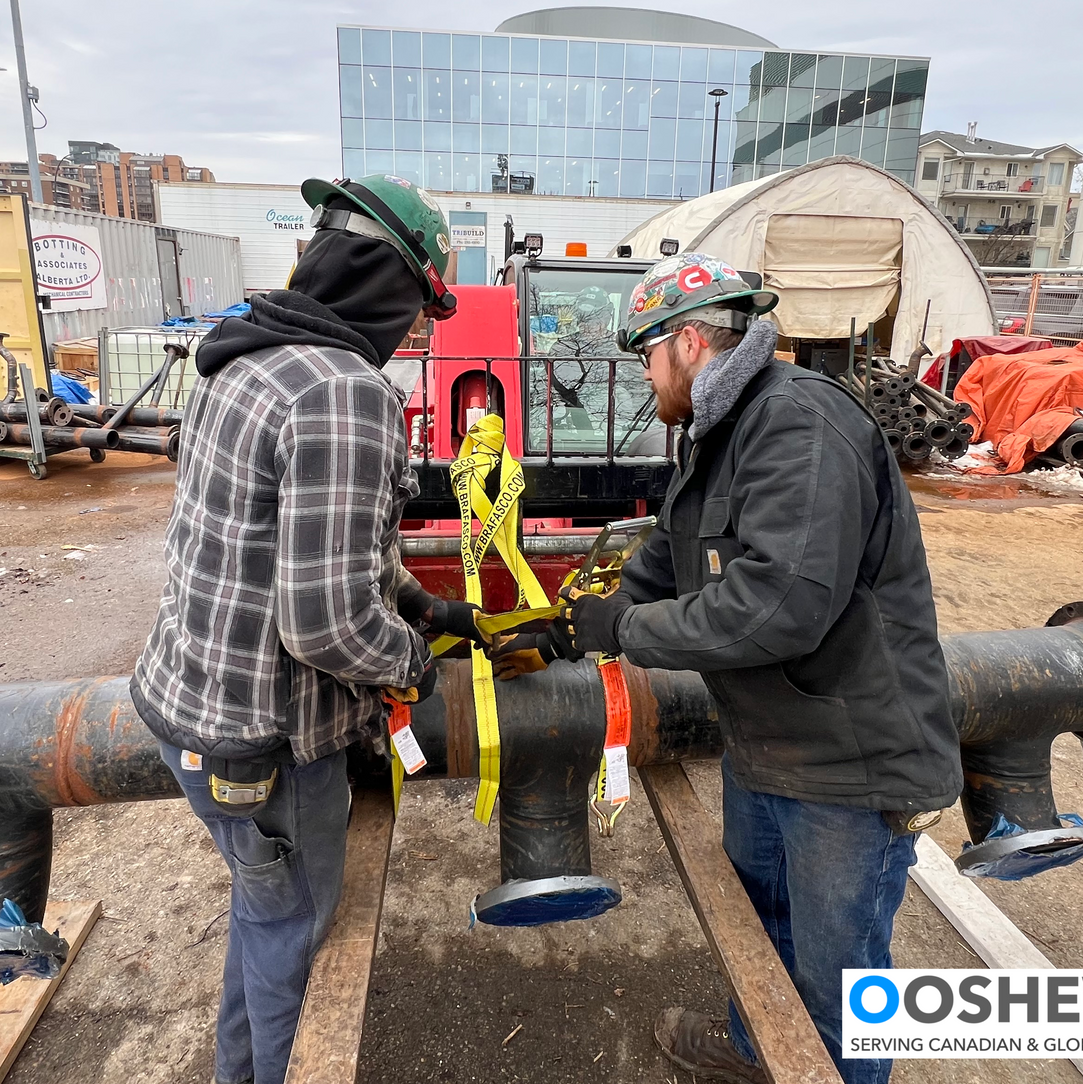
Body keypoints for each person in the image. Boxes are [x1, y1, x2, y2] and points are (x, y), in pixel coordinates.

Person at [491, 253, 962, 1084]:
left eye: (645, 355)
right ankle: (754, 1052)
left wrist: (625, 628)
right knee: (759, 923)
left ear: (688, 343)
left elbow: (779, 604)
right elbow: (670, 559)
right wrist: (569, 628)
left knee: (839, 981)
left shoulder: (796, 424)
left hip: (850, 763)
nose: (644, 375)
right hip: (772, 744)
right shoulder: (724, 429)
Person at [131, 174, 483, 1084]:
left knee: (264, 917)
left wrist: (426, 606)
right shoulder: (344, 393)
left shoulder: (241, 356)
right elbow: (324, 622)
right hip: (267, 744)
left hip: (192, 710)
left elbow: (322, 542)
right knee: (292, 936)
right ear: (385, 285)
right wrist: (411, 660)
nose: (411, 336)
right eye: (415, 313)